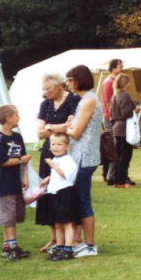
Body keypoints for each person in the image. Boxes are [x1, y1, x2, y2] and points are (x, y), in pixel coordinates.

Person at [35, 72, 80, 252]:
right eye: (43, 88)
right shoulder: (45, 104)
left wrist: (49, 127)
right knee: (49, 194)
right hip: (49, 152)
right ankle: (54, 238)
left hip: (68, 152)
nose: (45, 92)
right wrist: (60, 127)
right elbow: (39, 133)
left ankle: (74, 237)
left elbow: (73, 127)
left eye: (48, 88)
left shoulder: (74, 100)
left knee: (68, 193)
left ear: (60, 85)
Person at [64, 64, 102, 256]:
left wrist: (67, 128)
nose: (68, 84)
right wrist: (71, 126)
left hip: (84, 157)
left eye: (70, 80)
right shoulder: (85, 100)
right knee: (79, 199)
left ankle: (90, 245)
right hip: (81, 156)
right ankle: (81, 241)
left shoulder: (88, 101)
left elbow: (76, 132)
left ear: (78, 80)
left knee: (83, 200)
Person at [0, 104, 31, 260]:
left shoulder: (17, 137)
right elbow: (2, 161)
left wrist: (25, 176)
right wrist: (20, 160)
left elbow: (24, 158)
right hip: (4, 184)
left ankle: (8, 246)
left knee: (14, 214)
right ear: (8, 118)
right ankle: (12, 247)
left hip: (16, 183)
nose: (18, 118)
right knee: (8, 216)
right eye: (16, 115)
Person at [42, 133, 80, 261]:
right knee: (57, 223)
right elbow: (57, 175)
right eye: (53, 144)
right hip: (55, 193)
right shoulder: (56, 159)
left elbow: (66, 175)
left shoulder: (68, 160)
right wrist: (48, 178)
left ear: (67, 147)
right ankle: (59, 247)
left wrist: (53, 166)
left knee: (67, 222)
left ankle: (68, 249)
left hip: (65, 193)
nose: (55, 147)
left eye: (59, 144)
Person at [109, 73, 138, 188]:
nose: (129, 85)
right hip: (125, 128)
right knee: (125, 156)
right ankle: (121, 181)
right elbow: (126, 113)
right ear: (124, 84)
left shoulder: (114, 96)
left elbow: (111, 114)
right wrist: (135, 110)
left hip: (116, 127)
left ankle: (118, 179)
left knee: (119, 155)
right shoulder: (124, 95)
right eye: (128, 82)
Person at [99, 59, 123, 184]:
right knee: (112, 146)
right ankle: (110, 175)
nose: (122, 68)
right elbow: (108, 101)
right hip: (110, 118)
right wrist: (111, 117)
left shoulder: (116, 81)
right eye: (120, 66)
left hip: (113, 117)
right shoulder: (109, 82)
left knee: (114, 146)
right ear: (113, 68)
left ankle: (112, 173)